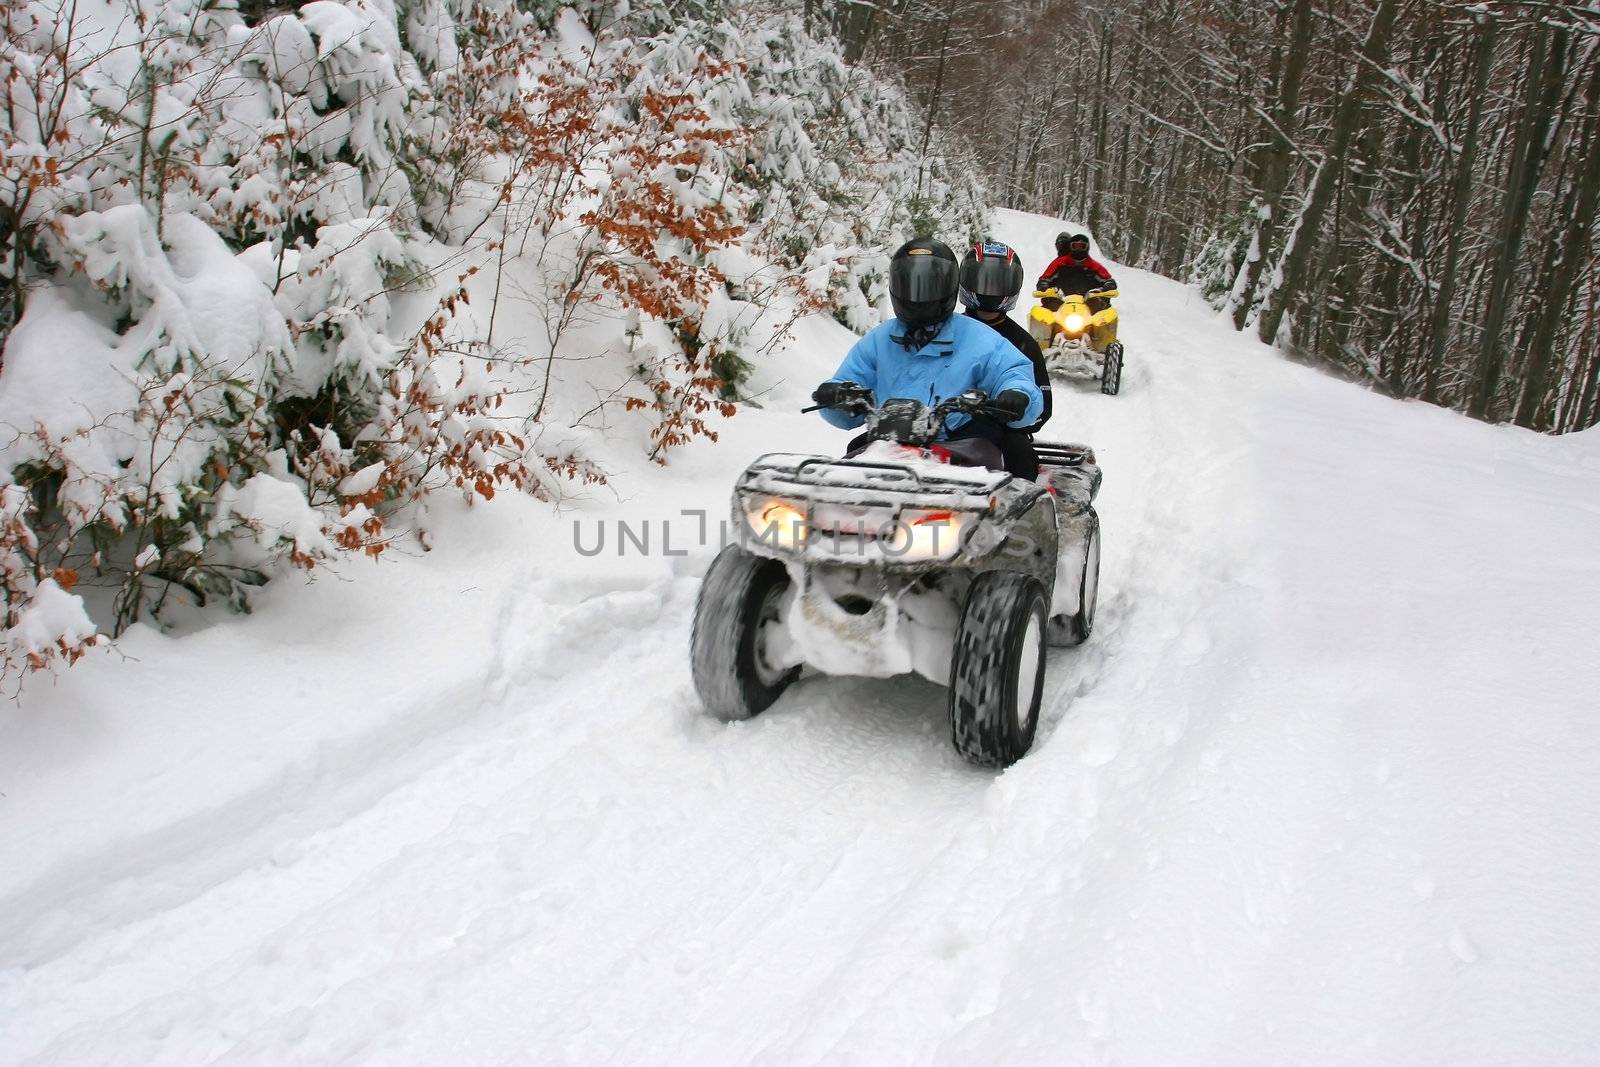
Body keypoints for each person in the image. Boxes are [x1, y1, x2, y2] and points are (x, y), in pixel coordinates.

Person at [812, 237, 1043, 479]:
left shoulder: (980, 338)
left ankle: (1013, 517)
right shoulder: (880, 340)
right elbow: (850, 380)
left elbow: (1012, 373)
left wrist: (1017, 395)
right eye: (910, 285)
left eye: (928, 287)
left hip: (962, 442)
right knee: (842, 481)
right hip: (888, 443)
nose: (918, 296)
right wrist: (835, 396)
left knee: (1004, 477)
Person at [958, 240, 1051, 480]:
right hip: (942, 424)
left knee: (1020, 454)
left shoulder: (1023, 343)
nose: (990, 289)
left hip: (998, 433)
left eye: (998, 282)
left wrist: (1014, 407)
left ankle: (1020, 516)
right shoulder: (945, 331)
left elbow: (1043, 407)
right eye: (982, 280)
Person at [1037, 232, 1117, 313]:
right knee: (1041, 314)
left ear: (1087, 247)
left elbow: (1107, 279)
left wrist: (1109, 285)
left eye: (1082, 246)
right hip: (1061, 304)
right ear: (1070, 247)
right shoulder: (1059, 263)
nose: (1078, 249)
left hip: (1089, 306)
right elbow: (1046, 277)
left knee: (1106, 315)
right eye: (1075, 246)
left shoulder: (1094, 266)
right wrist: (1043, 284)